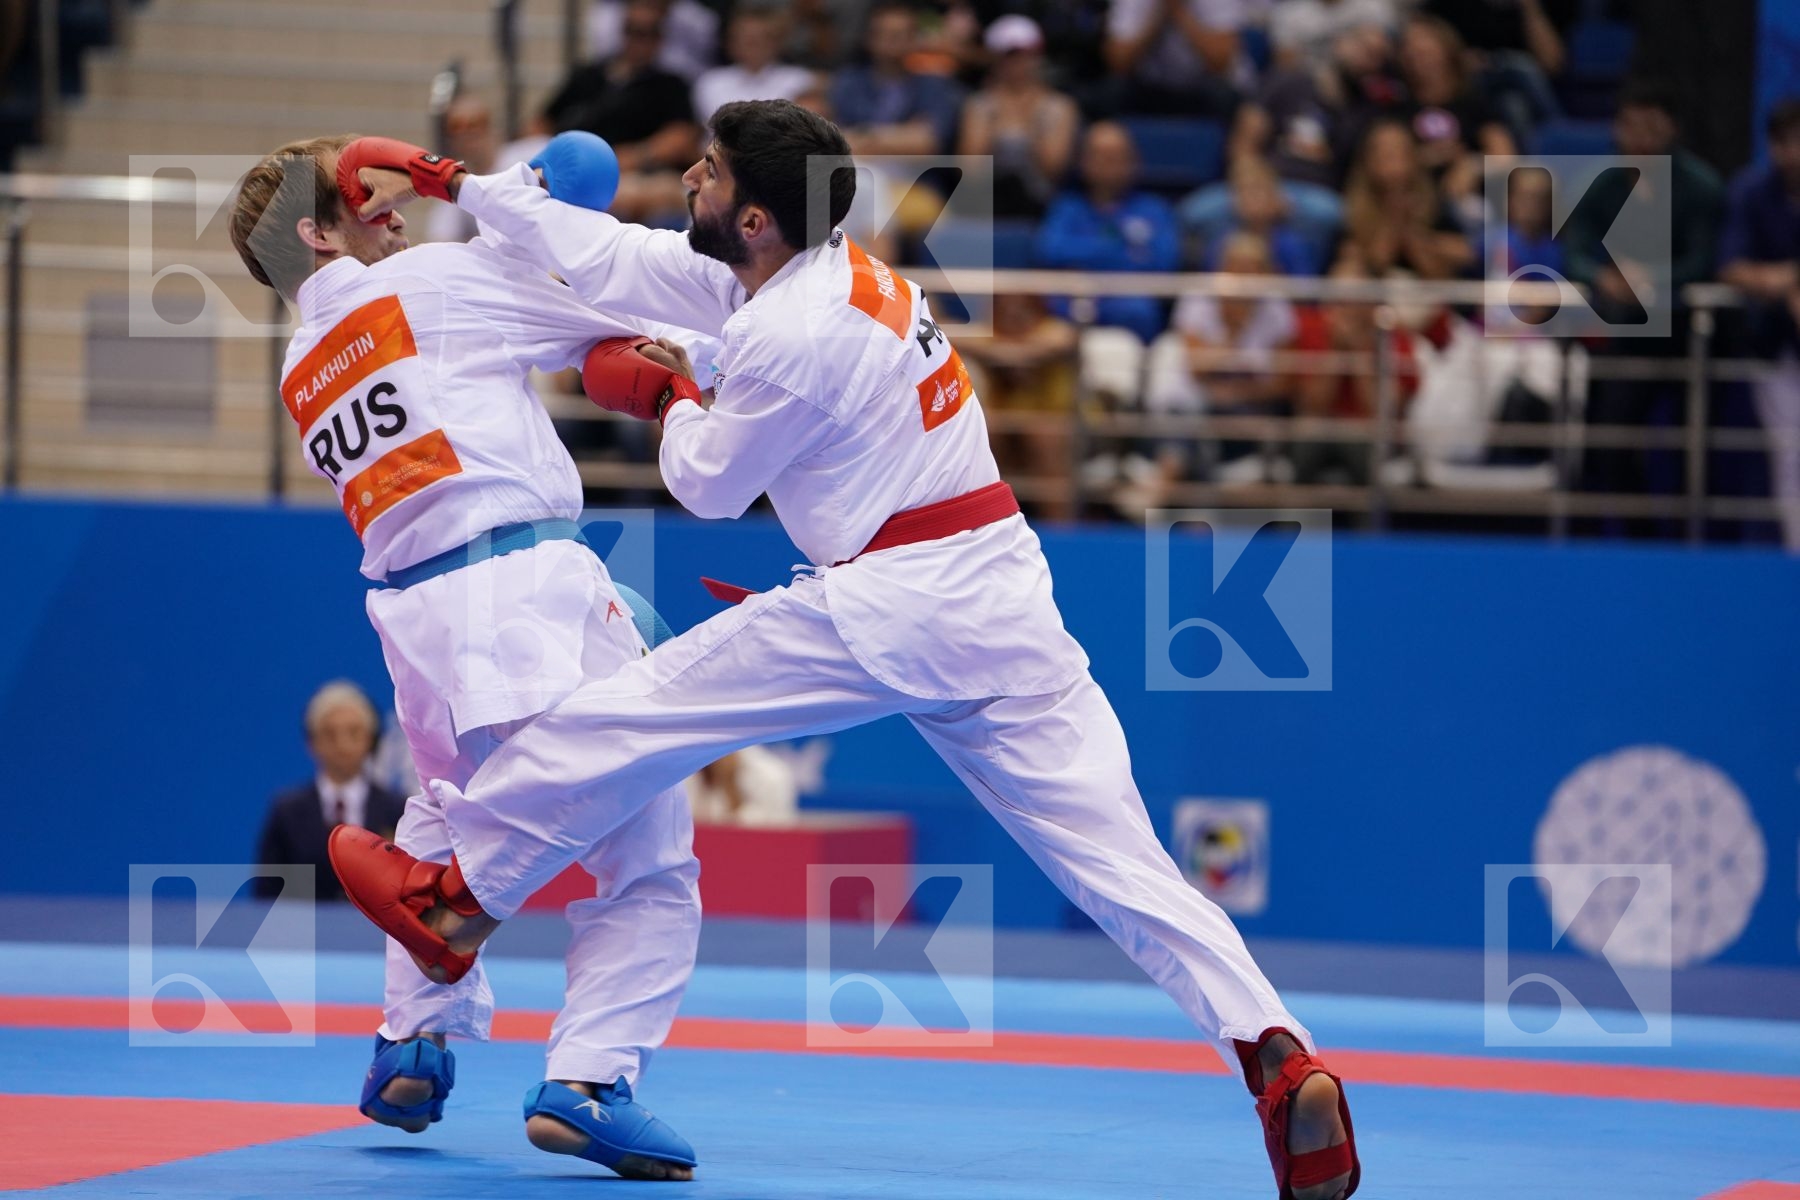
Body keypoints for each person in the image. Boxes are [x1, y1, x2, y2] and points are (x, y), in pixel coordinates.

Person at [336, 99, 1362, 1200]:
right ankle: (1276, 1054)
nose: (688, 178)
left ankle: (458, 901)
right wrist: (458, 184)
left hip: (893, 600)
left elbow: (708, 487)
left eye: (711, 172)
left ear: (759, 215)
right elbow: (616, 255)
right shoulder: (831, 272)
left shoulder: (782, 331)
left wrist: (675, 391)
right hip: (1005, 599)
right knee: (1125, 866)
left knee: (631, 715)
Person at [227, 133, 703, 1178]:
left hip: (415, 624)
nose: (389, 203)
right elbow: (606, 294)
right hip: (523, 591)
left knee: (443, 809)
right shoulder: (431, 285)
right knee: (649, 848)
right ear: (317, 231)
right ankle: (588, 1079)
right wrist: (544, 203)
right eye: (363, 196)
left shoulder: (302, 368)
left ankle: (412, 1047)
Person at [1718, 98, 1800, 549]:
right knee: (1790, 455)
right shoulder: (1752, 191)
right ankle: (1796, 556)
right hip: (1773, 347)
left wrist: (1787, 278)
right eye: (1789, 143)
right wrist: (1780, 284)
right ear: (1774, 147)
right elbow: (1731, 266)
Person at [256, 680, 407, 902]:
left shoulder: (396, 810)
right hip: (304, 933)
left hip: (375, 935)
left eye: (353, 732)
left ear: (371, 740)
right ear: (312, 742)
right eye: (330, 733)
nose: (342, 744)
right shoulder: (287, 812)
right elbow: (268, 893)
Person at [1036, 121, 1181, 345]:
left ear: (1134, 161)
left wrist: (1083, 260)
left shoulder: (1154, 210)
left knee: (1137, 311)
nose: (1109, 165)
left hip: (1130, 307)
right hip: (1071, 302)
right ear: (1083, 162)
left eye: (1117, 157)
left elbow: (1163, 264)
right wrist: (1122, 250)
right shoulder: (1067, 208)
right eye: (1100, 156)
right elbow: (1050, 251)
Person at [955, 14, 1079, 221]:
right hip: (986, 201)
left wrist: (1028, 119)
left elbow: (1054, 169)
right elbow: (970, 172)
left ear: (1038, 55)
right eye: (1008, 55)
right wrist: (999, 115)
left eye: (1024, 54)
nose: (1017, 63)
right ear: (995, 58)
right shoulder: (979, 105)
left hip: (1041, 203)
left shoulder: (1060, 106)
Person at [828, 2, 964, 155]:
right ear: (869, 38)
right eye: (885, 34)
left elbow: (926, 142)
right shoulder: (848, 82)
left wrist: (863, 135)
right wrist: (902, 134)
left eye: (901, 35)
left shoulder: (934, 86)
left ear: (914, 38)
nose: (892, 42)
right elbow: (831, 139)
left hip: (914, 174)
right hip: (857, 169)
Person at [691, 5, 816, 131]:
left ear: (777, 42)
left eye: (760, 38)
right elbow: (715, 127)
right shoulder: (710, 82)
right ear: (731, 42)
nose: (751, 45)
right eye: (745, 38)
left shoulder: (801, 81)